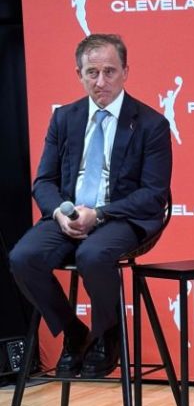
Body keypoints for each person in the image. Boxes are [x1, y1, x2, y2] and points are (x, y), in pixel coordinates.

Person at [10, 34, 172, 379]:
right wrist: (59, 213)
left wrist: (98, 213)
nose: (101, 82)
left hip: (123, 216)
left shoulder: (151, 124)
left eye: (110, 72)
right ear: (79, 74)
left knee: (93, 255)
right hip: (68, 214)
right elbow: (44, 181)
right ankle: (74, 332)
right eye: (92, 72)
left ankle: (108, 333)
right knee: (22, 258)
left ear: (125, 72)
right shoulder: (64, 118)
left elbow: (154, 194)